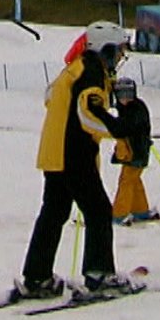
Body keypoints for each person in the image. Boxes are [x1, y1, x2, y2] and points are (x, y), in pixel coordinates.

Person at [18, 30, 137, 299]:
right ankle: (99, 274)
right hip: (75, 155)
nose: (120, 58)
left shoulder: (75, 68)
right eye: (118, 51)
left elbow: (50, 96)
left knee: (54, 213)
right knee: (98, 211)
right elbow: (88, 114)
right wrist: (120, 128)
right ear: (104, 49)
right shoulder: (91, 73)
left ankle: (37, 277)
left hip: (54, 154)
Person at [109, 78, 158, 223]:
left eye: (128, 94)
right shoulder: (125, 108)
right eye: (121, 95)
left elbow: (124, 128)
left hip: (137, 152)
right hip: (132, 152)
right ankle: (140, 210)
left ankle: (119, 214)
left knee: (126, 181)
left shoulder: (135, 109)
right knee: (133, 180)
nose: (124, 99)